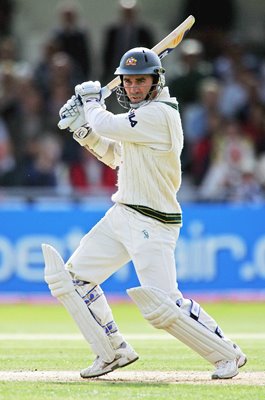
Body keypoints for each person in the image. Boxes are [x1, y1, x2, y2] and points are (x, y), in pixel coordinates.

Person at [42, 47, 247, 380]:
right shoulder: (140, 118)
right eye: (128, 81)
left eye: (141, 81)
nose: (133, 88)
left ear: (156, 81)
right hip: (123, 212)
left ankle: (227, 353)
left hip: (154, 219)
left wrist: (91, 101)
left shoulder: (159, 114)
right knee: (71, 280)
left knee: (163, 306)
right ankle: (112, 351)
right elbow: (115, 156)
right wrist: (81, 130)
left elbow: (106, 123)